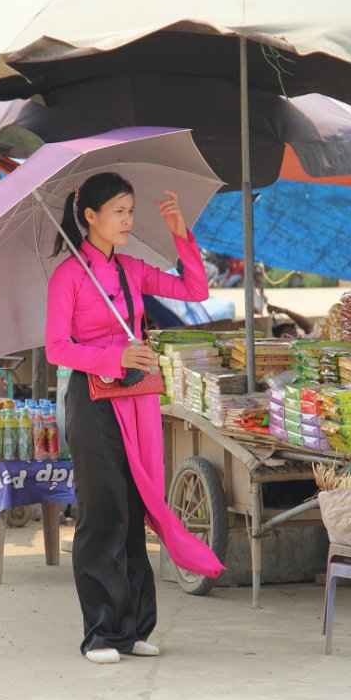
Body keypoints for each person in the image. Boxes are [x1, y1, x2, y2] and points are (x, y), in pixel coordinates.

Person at [45, 172, 225, 664]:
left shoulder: (131, 270)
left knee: (135, 507)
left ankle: (135, 627)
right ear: (90, 217)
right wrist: (114, 357)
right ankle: (101, 633)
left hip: (136, 400)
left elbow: (195, 289)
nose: (128, 219)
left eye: (130, 210)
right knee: (103, 512)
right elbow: (57, 348)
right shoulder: (68, 276)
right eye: (119, 211)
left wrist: (180, 233)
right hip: (93, 401)